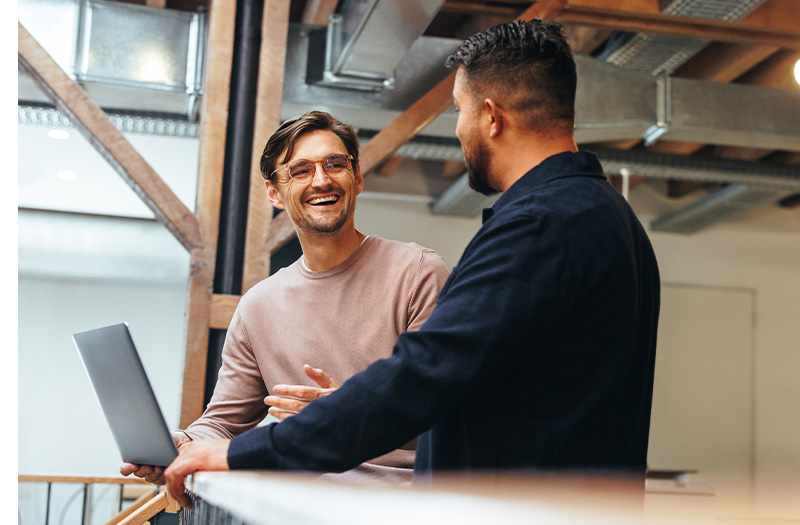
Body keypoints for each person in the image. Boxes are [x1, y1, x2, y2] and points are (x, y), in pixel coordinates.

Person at [165, 18, 660, 506]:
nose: (461, 129)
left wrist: (252, 450)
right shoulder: (609, 217)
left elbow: (422, 378)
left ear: (491, 116)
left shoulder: (538, 225)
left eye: (459, 110)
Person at [121, 110, 450, 485]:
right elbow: (224, 423)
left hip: (399, 502)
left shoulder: (418, 271)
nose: (322, 180)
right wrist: (186, 442)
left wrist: (349, 411)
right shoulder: (258, 305)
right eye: (300, 170)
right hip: (292, 504)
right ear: (274, 192)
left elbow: (442, 402)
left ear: (357, 177)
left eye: (335, 164)